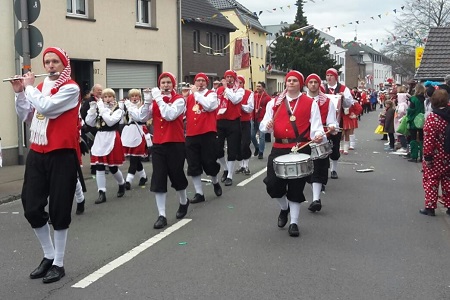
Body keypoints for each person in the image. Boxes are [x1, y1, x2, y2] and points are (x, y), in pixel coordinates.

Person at [11, 47, 81, 283]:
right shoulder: (40, 88)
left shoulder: (71, 88)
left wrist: (29, 88)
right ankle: (48, 256)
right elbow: (27, 116)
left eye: (55, 62)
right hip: (38, 152)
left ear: (63, 65)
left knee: (59, 210)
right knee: (31, 207)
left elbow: (46, 108)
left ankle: (59, 263)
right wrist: (21, 93)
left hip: (62, 154)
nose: (50, 66)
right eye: (47, 62)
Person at [260, 70, 324, 237]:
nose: (291, 83)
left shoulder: (310, 103)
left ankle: (294, 222)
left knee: (296, 187)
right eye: (289, 80)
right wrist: (266, 126)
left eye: (295, 80)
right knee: (273, 185)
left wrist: (318, 135)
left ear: (300, 83)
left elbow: (317, 126)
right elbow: (263, 124)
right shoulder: (274, 103)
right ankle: (284, 208)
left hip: (301, 148)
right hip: (279, 147)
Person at [143, 72, 190, 229]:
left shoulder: (179, 100)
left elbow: (169, 115)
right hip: (159, 144)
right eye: (162, 82)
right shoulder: (156, 101)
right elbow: (142, 117)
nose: (165, 85)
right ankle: (161, 215)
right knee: (159, 178)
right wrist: (146, 101)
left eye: (168, 82)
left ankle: (184, 201)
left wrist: (157, 98)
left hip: (175, 143)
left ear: (173, 84)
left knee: (177, 176)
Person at [184, 73, 222, 203]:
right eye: (197, 81)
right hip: (191, 134)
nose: (200, 83)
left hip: (207, 133)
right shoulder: (190, 97)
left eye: (202, 81)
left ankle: (215, 181)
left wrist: (196, 94)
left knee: (209, 162)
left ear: (206, 83)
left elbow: (209, 106)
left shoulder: (211, 94)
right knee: (193, 164)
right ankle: (199, 193)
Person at [85, 88, 127, 204]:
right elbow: (89, 122)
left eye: (110, 96)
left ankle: (121, 183)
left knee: (113, 167)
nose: (107, 99)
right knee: (99, 166)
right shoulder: (100, 109)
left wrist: (102, 108)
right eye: (105, 97)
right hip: (100, 138)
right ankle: (101, 192)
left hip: (112, 137)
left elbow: (110, 121)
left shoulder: (118, 109)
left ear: (114, 97)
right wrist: (93, 109)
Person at [305, 74, 337, 212]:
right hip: (303, 139)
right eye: (310, 82)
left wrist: (332, 126)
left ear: (319, 85)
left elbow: (332, 120)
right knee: (306, 170)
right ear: (307, 84)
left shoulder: (327, 102)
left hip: (320, 138)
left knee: (318, 169)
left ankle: (316, 199)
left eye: (315, 82)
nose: (313, 84)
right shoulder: (300, 100)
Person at [419, 89, 450, 216]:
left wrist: (427, 156)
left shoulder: (433, 117)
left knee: (431, 180)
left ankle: (430, 206)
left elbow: (429, 139)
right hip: (448, 154)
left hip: (436, 155)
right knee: (448, 181)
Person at [323, 68, 354, 179]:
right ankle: (323, 170)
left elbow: (349, 104)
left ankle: (334, 169)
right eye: (327, 75)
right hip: (323, 121)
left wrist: (343, 97)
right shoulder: (322, 88)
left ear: (336, 77)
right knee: (323, 145)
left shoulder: (343, 88)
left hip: (337, 120)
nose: (329, 77)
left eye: (331, 75)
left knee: (335, 146)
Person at [216, 70, 244, 186]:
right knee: (217, 149)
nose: (228, 79)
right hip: (220, 121)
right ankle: (226, 168)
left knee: (232, 149)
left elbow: (235, 99)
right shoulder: (219, 90)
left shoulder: (239, 90)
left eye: (230, 77)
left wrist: (226, 89)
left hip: (233, 122)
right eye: (226, 77)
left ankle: (230, 176)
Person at [121, 89, 149, 190]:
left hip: (139, 132)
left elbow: (139, 118)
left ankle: (128, 181)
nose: (134, 98)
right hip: (129, 133)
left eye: (136, 96)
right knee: (135, 159)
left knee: (134, 158)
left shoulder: (142, 106)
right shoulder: (126, 106)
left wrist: (130, 106)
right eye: (132, 96)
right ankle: (143, 176)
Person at [80, 83, 103, 174]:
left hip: (99, 129)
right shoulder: (89, 101)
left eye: (101, 90)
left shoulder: (101, 101)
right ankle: (94, 167)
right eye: (98, 90)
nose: (100, 91)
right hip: (90, 129)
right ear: (93, 91)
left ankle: (100, 165)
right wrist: (85, 126)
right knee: (93, 147)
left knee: (100, 147)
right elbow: (82, 114)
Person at [235, 75, 254, 175]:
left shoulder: (249, 93)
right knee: (237, 144)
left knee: (245, 143)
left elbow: (250, 108)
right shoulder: (232, 93)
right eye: (237, 83)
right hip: (234, 121)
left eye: (240, 83)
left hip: (245, 121)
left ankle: (246, 165)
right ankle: (240, 165)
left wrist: (240, 105)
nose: (239, 85)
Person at [406, 83, 426, 162]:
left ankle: (414, 156)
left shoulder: (413, 99)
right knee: (422, 139)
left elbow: (410, 111)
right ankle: (422, 156)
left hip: (414, 121)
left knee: (413, 139)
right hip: (423, 121)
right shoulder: (426, 99)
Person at [252, 81, 271, 159]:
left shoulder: (267, 98)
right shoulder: (254, 96)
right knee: (252, 135)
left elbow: (269, 109)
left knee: (261, 136)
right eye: (257, 86)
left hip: (262, 119)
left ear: (263, 88)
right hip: (254, 118)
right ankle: (257, 146)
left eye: (259, 86)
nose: (258, 88)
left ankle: (261, 152)